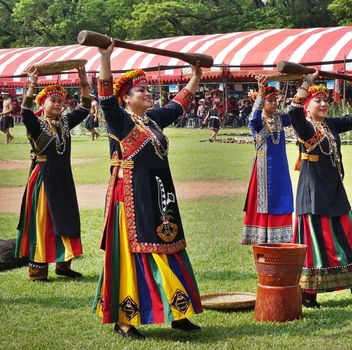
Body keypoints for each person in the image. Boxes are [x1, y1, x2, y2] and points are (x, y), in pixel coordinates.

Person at [94, 40, 203, 339]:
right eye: (140, 91)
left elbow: (178, 104)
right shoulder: (119, 121)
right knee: (138, 251)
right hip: (130, 195)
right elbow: (104, 95)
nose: (147, 93)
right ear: (126, 99)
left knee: (170, 244)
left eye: (147, 89)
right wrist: (106, 56)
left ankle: (178, 313)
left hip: (160, 194)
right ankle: (125, 321)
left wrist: (195, 75)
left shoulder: (152, 120)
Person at [290, 72, 352, 308]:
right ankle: (308, 294)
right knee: (316, 244)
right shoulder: (303, 126)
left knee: (349, 237)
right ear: (307, 107)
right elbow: (292, 111)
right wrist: (306, 82)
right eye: (317, 101)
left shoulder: (330, 124)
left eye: (325, 100)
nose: (323, 104)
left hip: (334, 190)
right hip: (313, 194)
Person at [14, 66, 90, 281]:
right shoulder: (35, 124)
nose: (57, 104)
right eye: (52, 101)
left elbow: (84, 107)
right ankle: (38, 271)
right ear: (43, 103)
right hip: (44, 178)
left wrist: (83, 79)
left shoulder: (65, 122)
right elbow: (25, 111)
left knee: (67, 217)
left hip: (64, 178)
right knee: (44, 221)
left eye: (60, 101)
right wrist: (32, 83)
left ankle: (64, 266)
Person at [241, 76, 293, 245]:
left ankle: (282, 235)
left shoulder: (279, 118)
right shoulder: (256, 122)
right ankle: (263, 235)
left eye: (275, 100)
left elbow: (295, 113)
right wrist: (261, 94)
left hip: (281, 168)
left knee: (282, 196)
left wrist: (303, 85)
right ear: (262, 102)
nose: (274, 103)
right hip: (264, 168)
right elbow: (254, 118)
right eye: (270, 100)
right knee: (266, 201)